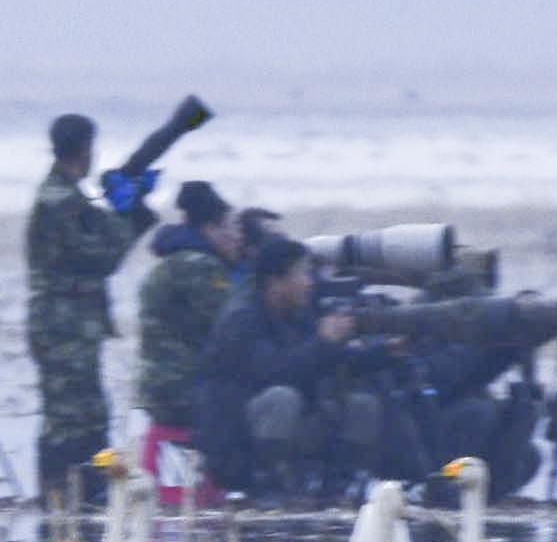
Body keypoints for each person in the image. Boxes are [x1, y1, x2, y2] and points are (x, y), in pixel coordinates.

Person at [25, 111, 157, 506]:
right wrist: (129, 214)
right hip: (62, 326)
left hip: (70, 324)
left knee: (86, 414)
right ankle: (62, 501)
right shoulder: (59, 201)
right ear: (85, 149)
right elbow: (102, 257)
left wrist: (131, 206)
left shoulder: (66, 195)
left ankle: (79, 498)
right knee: (68, 420)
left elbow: (97, 234)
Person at [191, 236, 360, 499]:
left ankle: (343, 484)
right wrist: (323, 342)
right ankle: (267, 483)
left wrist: (388, 351)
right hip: (235, 442)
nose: (310, 283)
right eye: (303, 273)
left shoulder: (295, 316)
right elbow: (274, 373)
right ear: (276, 282)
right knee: (282, 399)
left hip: (280, 430)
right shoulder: (242, 319)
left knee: (360, 405)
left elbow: (335, 364)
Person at [130, 180, 246, 473]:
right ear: (209, 229)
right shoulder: (202, 268)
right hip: (185, 391)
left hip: (158, 390)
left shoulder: (171, 263)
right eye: (231, 228)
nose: (238, 238)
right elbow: (236, 324)